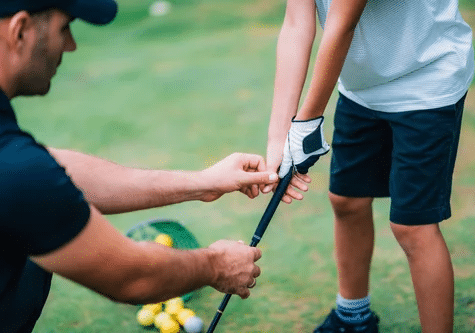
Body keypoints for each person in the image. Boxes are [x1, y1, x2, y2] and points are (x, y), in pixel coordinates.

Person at [0, 1, 279, 332]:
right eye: (65, 27)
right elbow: (133, 276)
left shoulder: (16, 160)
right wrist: (216, 266)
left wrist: (204, 183)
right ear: (20, 31)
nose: (71, 45)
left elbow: (54, 170)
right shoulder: (18, 171)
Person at [263, 0, 474, 332]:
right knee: (347, 201)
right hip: (362, 88)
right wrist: (278, 137)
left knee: (413, 227)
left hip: (426, 81)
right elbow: (295, 24)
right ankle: (352, 316)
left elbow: (342, 24)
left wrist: (305, 121)